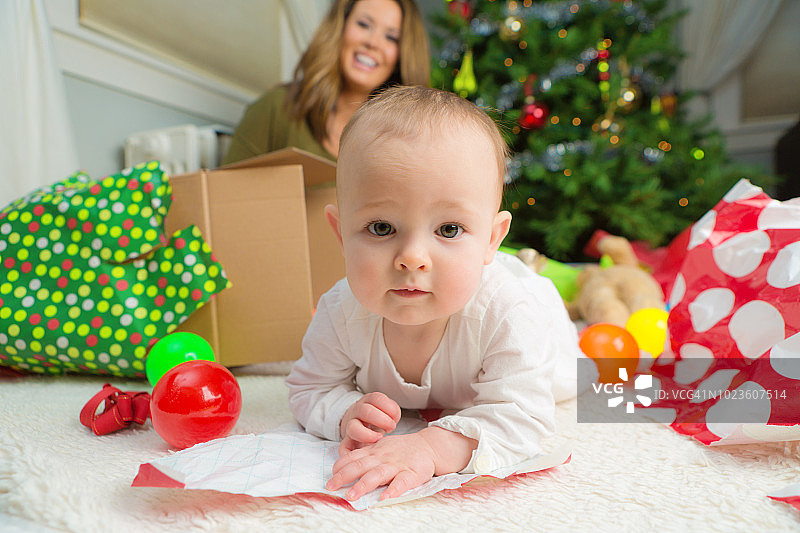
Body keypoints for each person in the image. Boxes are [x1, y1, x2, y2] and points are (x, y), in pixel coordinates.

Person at [285, 86, 581, 503]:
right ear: (340, 234)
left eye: (449, 229)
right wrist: (342, 413)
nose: (412, 258)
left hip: (534, 315)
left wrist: (431, 446)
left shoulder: (508, 311)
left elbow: (526, 419)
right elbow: (308, 389)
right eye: (381, 228)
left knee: (572, 379)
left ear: (492, 240)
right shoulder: (340, 311)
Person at [222, 0, 430, 165]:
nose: (372, 42)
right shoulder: (275, 109)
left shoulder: (404, 142)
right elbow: (224, 202)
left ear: (401, 57)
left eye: (391, 37)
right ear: (339, 29)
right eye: (363, 25)